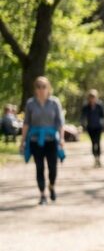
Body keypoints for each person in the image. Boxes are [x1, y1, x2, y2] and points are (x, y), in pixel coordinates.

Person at [20, 77, 65, 205]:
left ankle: (51, 185)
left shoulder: (54, 102)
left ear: (48, 88)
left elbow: (60, 123)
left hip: (51, 140)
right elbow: (26, 123)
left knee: (52, 168)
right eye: (38, 86)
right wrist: (23, 140)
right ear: (35, 89)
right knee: (39, 167)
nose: (41, 89)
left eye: (43, 86)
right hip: (35, 140)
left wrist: (62, 139)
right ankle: (42, 194)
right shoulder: (30, 103)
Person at [81, 89, 104, 167]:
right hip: (90, 127)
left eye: (93, 97)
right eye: (91, 97)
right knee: (93, 143)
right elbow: (83, 117)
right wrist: (83, 125)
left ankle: (98, 158)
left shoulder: (100, 105)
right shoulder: (86, 106)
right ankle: (95, 158)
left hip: (98, 127)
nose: (92, 99)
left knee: (98, 142)